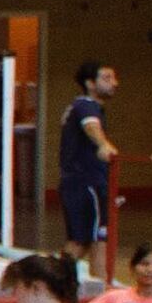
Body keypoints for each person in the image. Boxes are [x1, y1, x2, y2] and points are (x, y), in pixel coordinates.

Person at [53, 60, 118, 257]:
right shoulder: (87, 106)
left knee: (81, 240)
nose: (114, 83)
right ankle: (101, 287)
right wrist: (103, 144)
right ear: (90, 83)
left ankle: (50, 278)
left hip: (75, 182)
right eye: (106, 78)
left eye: (114, 78)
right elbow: (91, 126)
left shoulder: (77, 106)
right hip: (87, 182)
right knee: (97, 238)